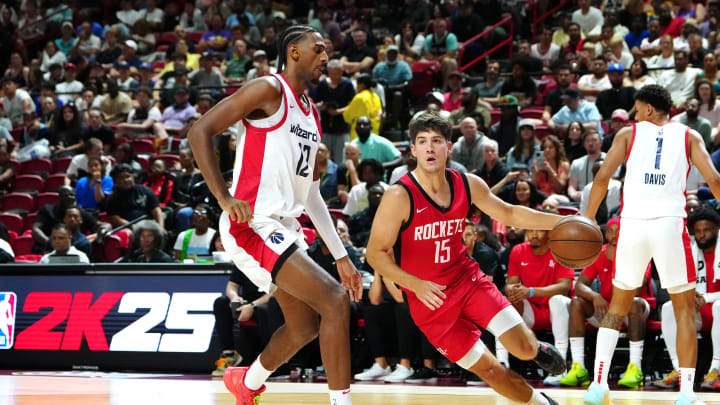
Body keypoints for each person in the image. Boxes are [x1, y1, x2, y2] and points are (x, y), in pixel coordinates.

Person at [187, 25, 362, 405]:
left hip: (285, 224)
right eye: (318, 49)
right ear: (294, 52)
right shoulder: (269, 89)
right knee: (334, 300)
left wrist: (343, 256)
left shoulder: (312, 114)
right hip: (252, 222)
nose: (325, 57)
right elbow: (200, 131)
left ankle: (246, 382)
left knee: (304, 327)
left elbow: (312, 195)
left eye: (327, 51)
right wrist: (223, 197)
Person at [366, 113, 567, 405]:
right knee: (491, 371)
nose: (430, 148)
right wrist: (415, 284)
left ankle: (536, 350)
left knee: (523, 348)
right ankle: (543, 403)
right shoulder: (399, 195)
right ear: (413, 150)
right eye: (422, 142)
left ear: (449, 147)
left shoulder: (467, 183)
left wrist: (557, 223)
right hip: (429, 302)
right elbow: (375, 253)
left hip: (467, 281)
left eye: (436, 141)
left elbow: (509, 213)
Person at [582, 84, 720, 405]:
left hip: (632, 226)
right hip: (669, 226)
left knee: (617, 306)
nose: (633, 114)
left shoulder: (628, 135)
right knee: (684, 309)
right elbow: (714, 180)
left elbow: (601, 179)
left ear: (646, 109)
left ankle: (599, 384)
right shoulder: (690, 136)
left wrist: (588, 221)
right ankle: (686, 393)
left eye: (636, 108)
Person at [557, 219, 652, 388]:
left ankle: (635, 368)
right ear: (604, 234)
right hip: (608, 309)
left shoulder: (639, 252)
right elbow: (579, 286)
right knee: (577, 303)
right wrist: (594, 296)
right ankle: (578, 368)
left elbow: (636, 289)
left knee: (634, 303)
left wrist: (619, 258)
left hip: (634, 309)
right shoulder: (599, 253)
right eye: (610, 231)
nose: (614, 235)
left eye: (618, 230)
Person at [502, 225, 575, 385]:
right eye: (530, 230)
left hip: (558, 311)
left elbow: (564, 287)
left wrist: (531, 291)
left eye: (539, 230)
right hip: (532, 311)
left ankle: (559, 368)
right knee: (504, 303)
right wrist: (511, 290)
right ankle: (502, 365)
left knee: (558, 300)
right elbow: (511, 283)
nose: (533, 234)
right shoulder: (518, 250)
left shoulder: (560, 251)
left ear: (549, 233)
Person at [658, 207, 720, 390]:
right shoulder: (689, 252)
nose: (702, 235)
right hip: (700, 311)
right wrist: (690, 296)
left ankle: (716, 369)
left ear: (716, 229)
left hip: (716, 308)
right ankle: (679, 369)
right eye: (698, 231)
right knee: (669, 308)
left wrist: (706, 297)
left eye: (706, 230)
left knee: (719, 306)